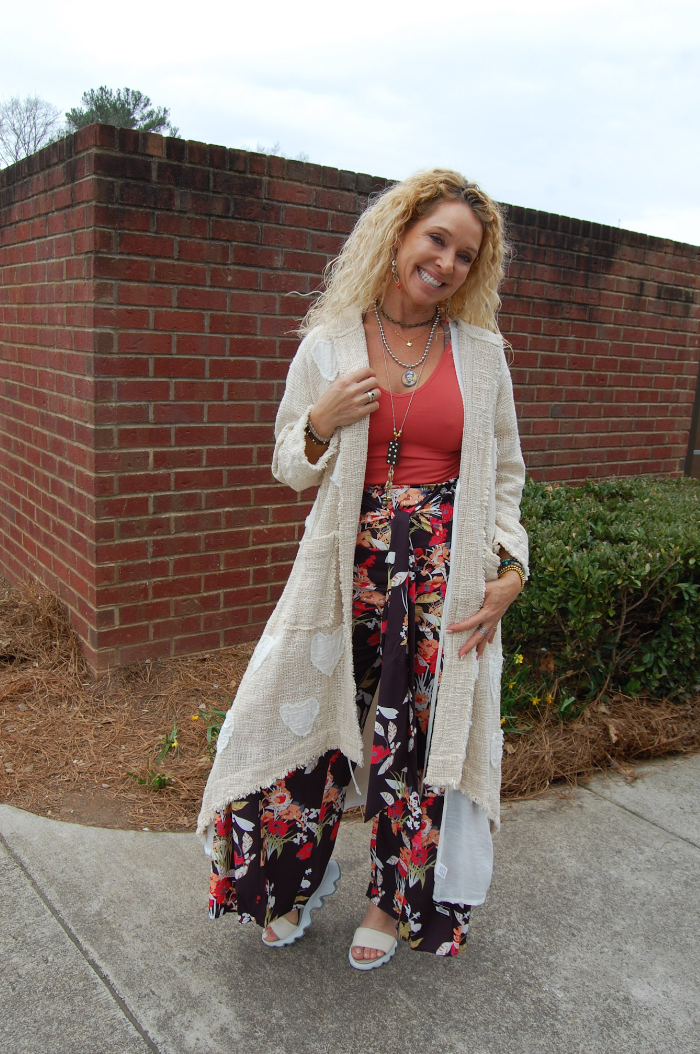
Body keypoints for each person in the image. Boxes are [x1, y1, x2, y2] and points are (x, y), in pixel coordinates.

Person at [197, 168, 528, 970]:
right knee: (297, 723)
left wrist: (512, 566)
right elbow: (289, 464)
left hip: (445, 579)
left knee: (416, 739)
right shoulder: (330, 344)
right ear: (399, 234)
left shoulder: (482, 357)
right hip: (342, 572)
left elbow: (508, 474)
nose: (446, 263)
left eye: (465, 254)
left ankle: (393, 899)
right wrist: (320, 421)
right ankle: (286, 884)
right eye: (436, 239)